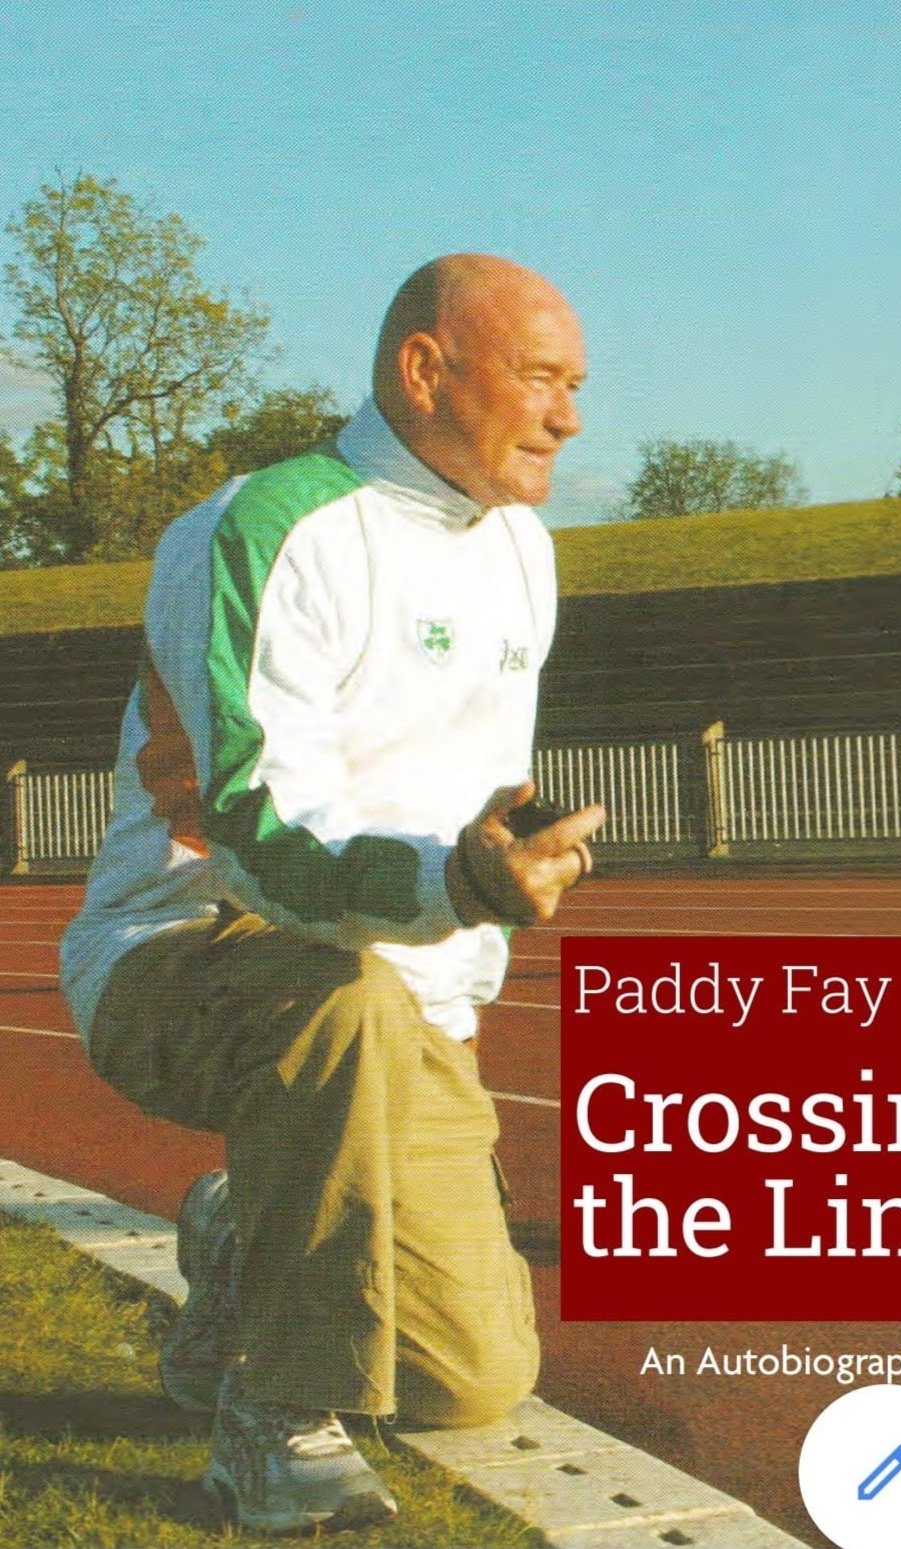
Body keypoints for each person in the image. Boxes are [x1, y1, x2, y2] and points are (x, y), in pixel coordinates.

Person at [60, 253, 605, 1535]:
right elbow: (255, 835)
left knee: (467, 1379)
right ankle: (270, 1412)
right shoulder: (266, 524)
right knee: (341, 1005)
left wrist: (466, 933)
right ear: (425, 369)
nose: (569, 417)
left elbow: (460, 801)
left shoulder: (522, 548)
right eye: (538, 378)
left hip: (388, 983)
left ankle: (243, 1229)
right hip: (188, 947)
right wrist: (459, 881)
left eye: (577, 385)